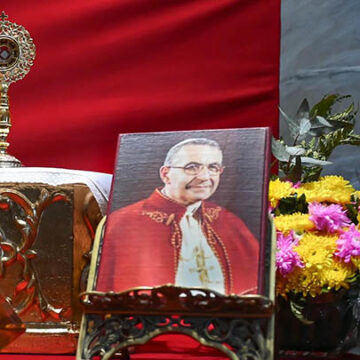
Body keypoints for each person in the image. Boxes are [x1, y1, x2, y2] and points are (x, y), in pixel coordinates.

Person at [97, 138, 259, 295]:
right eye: (192, 167)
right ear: (166, 174)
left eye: (213, 167)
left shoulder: (229, 221)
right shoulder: (123, 223)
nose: (204, 177)